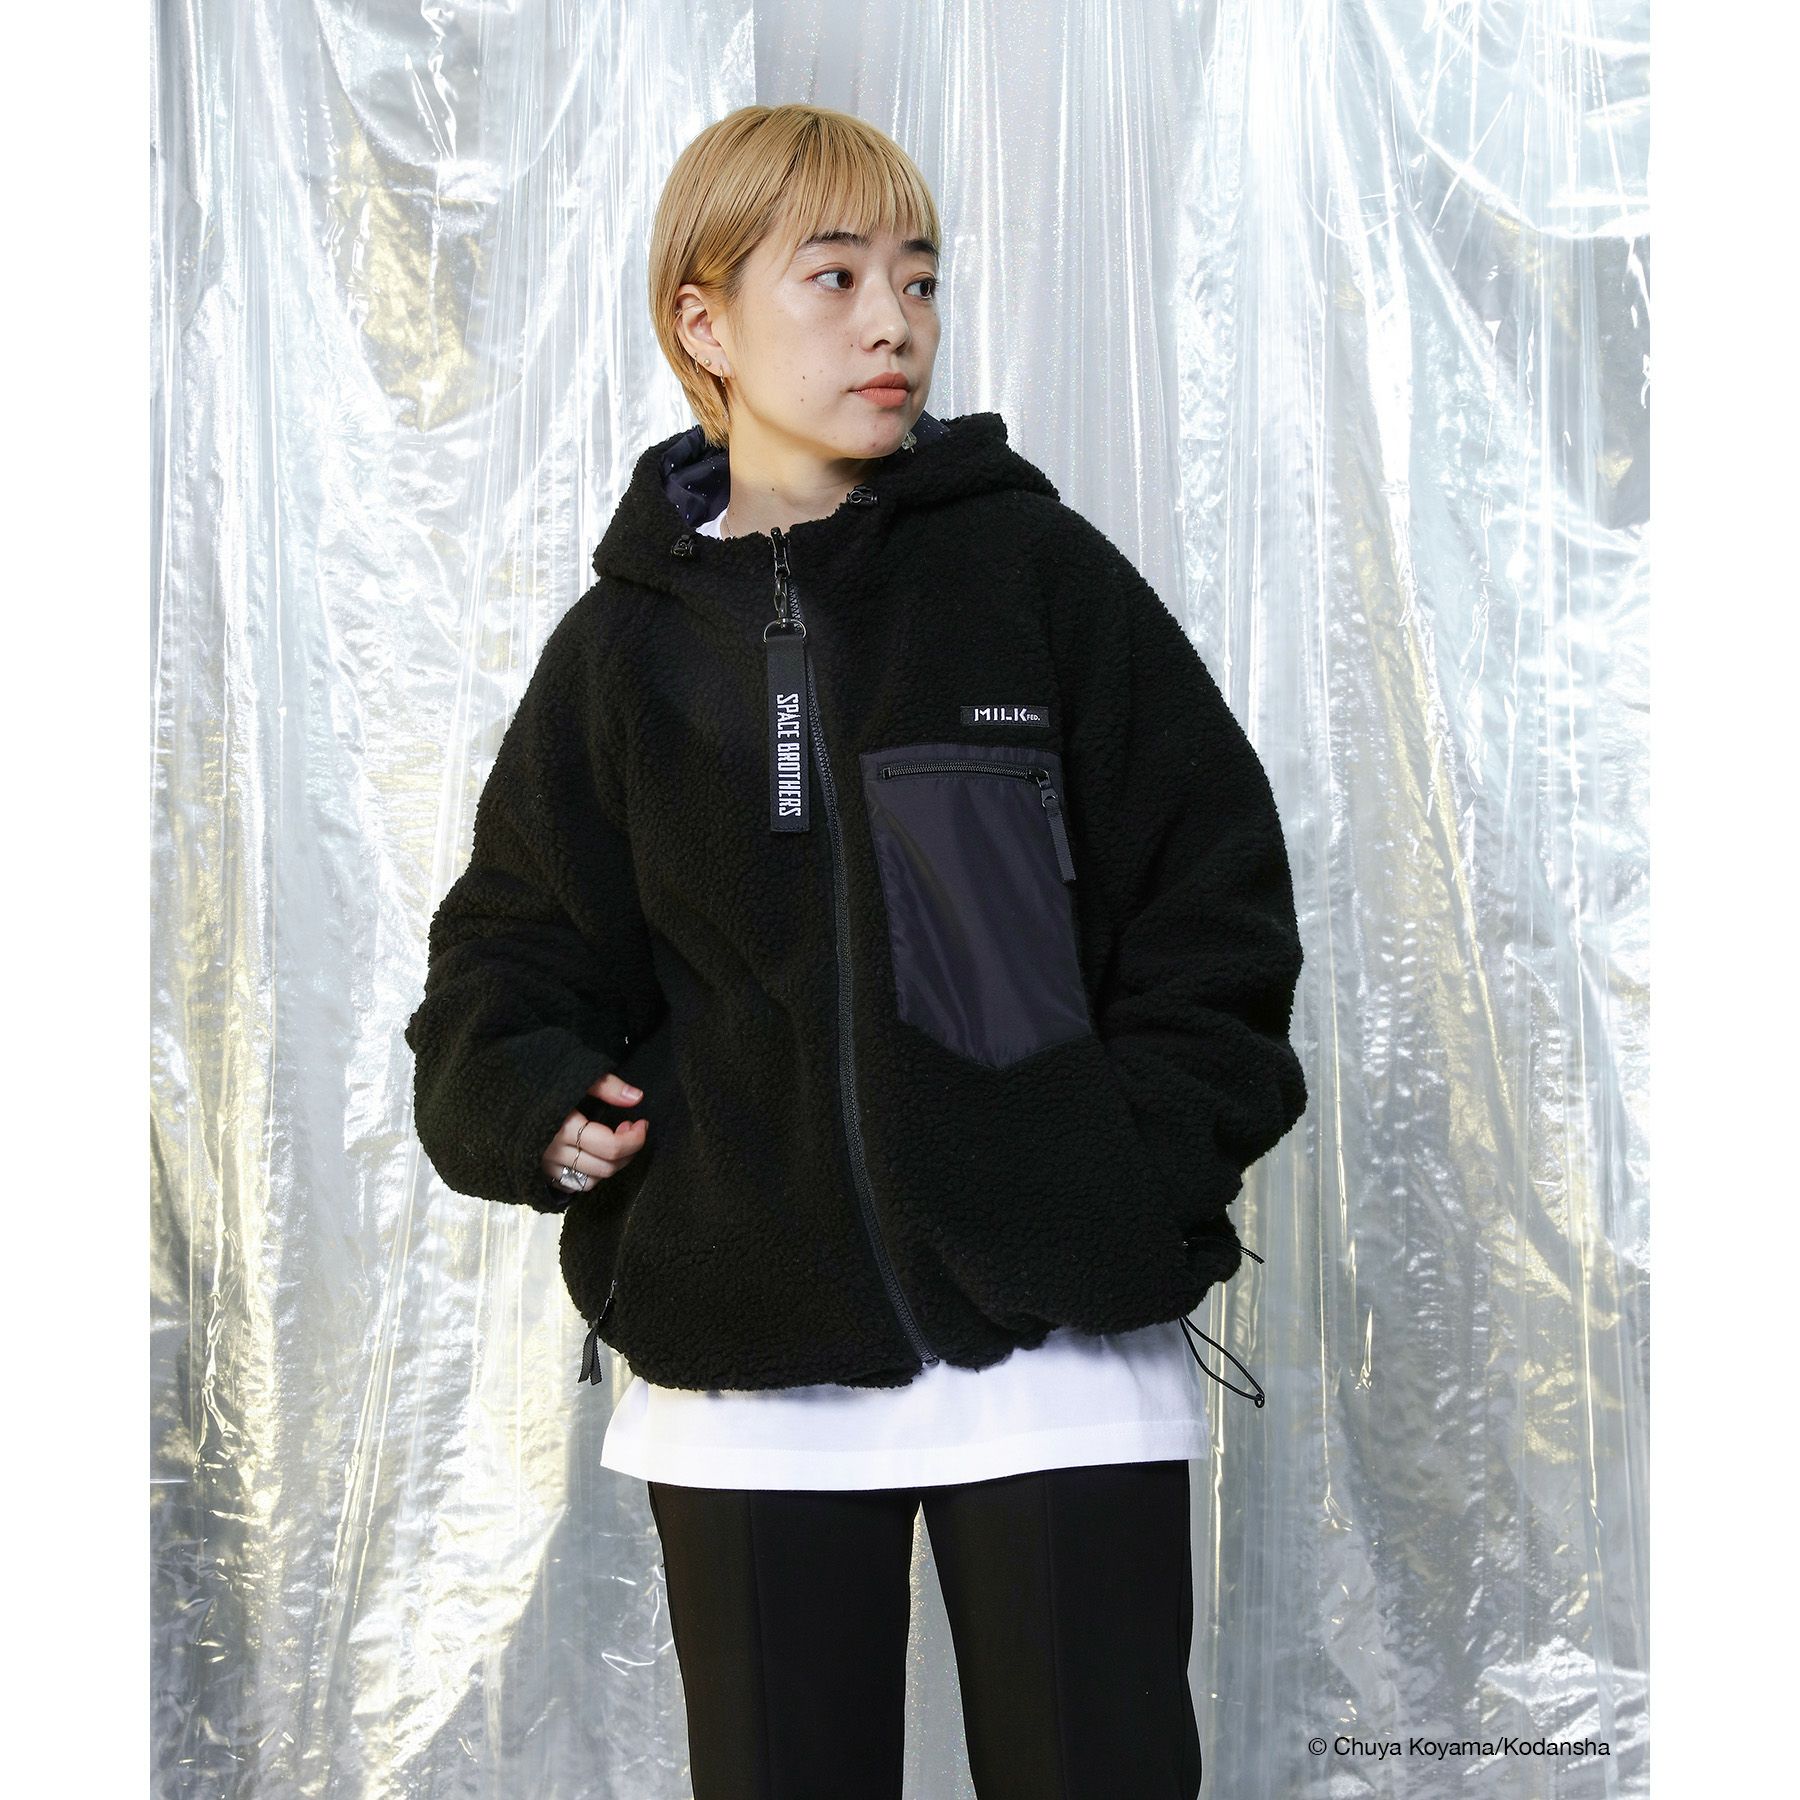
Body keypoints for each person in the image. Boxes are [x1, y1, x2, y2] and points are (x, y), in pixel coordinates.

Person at [404, 103, 1307, 1800]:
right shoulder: (619, 655)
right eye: (833, 277)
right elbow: (509, 956)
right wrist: (530, 1102)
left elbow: (1216, 910)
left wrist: (1118, 1171)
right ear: (704, 321)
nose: (894, 319)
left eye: (920, 277)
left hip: (1058, 1360)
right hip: (745, 1367)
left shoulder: (1037, 581)